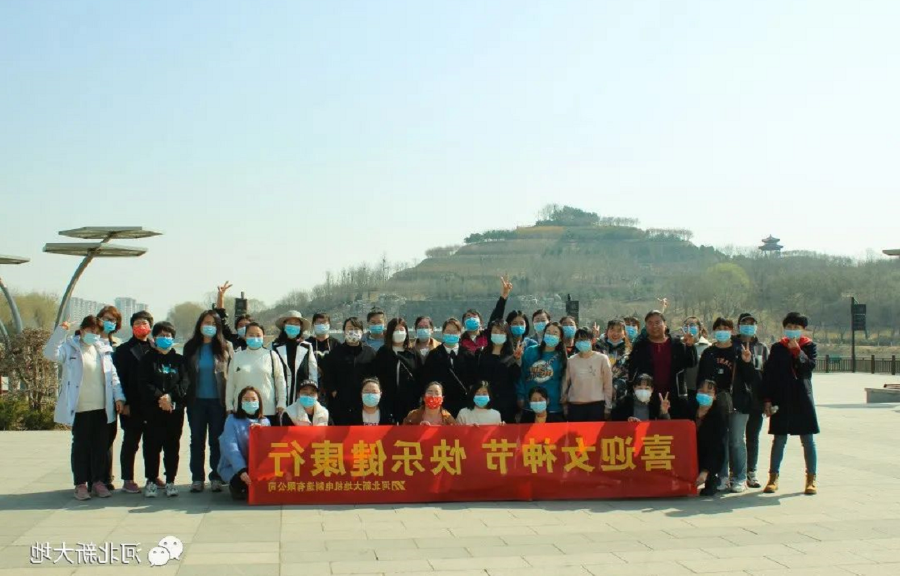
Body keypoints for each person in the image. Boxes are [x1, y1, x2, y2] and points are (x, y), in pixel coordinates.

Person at [44, 316, 125, 500]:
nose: (93, 335)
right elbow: (50, 353)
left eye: (97, 332)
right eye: (90, 331)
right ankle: (80, 484)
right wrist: (61, 331)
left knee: (100, 446)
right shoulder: (70, 348)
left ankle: (97, 482)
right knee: (81, 446)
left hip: (102, 407)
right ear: (81, 330)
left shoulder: (103, 349)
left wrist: (119, 397)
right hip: (80, 407)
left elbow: (113, 377)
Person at [697, 317, 758, 492]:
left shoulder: (740, 350)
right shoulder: (709, 352)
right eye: (718, 328)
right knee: (720, 440)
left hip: (738, 401)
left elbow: (751, 379)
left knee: (737, 440)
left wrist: (747, 363)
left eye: (726, 328)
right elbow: (702, 378)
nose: (722, 331)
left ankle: (739, 477)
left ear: (732, 330)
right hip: (715, 403)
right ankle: (722, 476)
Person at [762, 312, 819, 495]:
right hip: (781, 398)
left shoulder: (809, 346)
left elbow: (808, 368)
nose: (792, 330)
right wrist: (768, 399)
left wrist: (797, 351)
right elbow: (769, 375)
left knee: (808, 440)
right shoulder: (778, 347)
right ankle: (773, 477)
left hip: (802, 398)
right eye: (790, 327)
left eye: (796, 327)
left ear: (803, 329)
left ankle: (811, 478)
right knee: (779, 439)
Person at [182, 310, 234, 493]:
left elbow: (233, 375)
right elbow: (185, 375)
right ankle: (197, 477)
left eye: (213, 323)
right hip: (196, 402)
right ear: (199, 324)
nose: (209, 326)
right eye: (206, 322)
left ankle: (216, 476)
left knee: (216, 440)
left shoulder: (225, 347)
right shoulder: (190, 347)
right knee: (196, 440)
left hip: (218, 402)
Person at [138, 321, 188, 498]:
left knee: (172, 446)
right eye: (161, 335)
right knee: (152, 446)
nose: (165, 338)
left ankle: (170, 481)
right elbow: (144, 383)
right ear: (154, 338)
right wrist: (160, 397)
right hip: (153, 410)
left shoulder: (180, 360)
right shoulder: (147, 359)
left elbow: (185, 383)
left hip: (174, 410)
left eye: (168, 336)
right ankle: (151, 480)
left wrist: (171, 397)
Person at [113, 310, 158, 494]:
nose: (141, 326)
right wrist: (124, 402)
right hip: (132, 405)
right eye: (138, 323)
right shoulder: (123, 350)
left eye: (145, 323)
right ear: (132, 326)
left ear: (150, 327)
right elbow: (119, 378)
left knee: (152, 443)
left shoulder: (156, 348)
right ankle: (128, 478)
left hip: (152, 405)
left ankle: (152, 477)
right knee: (131, 442)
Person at [627, 310, 697, 418]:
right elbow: (632, 371)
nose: (654, 326)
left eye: (657, 322)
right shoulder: (640, 346)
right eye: (649, 323)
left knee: (673, 431)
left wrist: (690, 346)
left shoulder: (677, 344)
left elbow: (691, 363)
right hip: (648, 396)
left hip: (675, 395)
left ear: (665, 324)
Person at [225, 322, 287, 426]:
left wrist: (281, 402)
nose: (255, 338)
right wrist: (229, 405)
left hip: (267, 410)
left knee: (265, 441)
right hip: (241, 410)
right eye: (251, 335)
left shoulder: (271, 356)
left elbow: (280, 381)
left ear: (263, 337)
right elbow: (231, 382)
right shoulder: (237, 356)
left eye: (258, 335)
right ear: (245, 336)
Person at [321, 317, 377, 425]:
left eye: (356, 328)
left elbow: (376, 376)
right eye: (350, 328)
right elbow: (328, 376)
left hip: (364, 403)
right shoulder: (335, 353)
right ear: (344, 331)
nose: (353, 331)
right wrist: (334, 393)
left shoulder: (370, 353)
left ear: (362, 331)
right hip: (340, 404)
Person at [218, 386, 270, 501]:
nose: (250, 402)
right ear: (240, 402)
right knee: (241, 484)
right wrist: (241, 470)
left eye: (253, 399)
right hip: (234, 467)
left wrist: (262, 432)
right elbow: (231, 447)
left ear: (259, 402)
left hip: (256, 468)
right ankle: (236, 487)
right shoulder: (231, 420)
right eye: (246, 399)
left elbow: (268, 448)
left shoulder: (265, 421)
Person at [735, 312, 769, 489]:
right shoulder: (733, 345)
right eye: (745, 323)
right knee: (735, 438)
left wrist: (768, 400)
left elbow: (768, 376)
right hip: (738, 400)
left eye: (752, 323)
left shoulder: (762, 348)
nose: (748, 326)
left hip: (756, 400)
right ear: (738, 326)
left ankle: (751, 472)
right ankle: (735, 472)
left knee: (753, 437)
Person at [422, 318, 475, 417]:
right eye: (448, 331)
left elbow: (473, 380)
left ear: (460, 333)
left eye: (455, 332)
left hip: (464, 405)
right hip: (441, 406)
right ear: (443, 332)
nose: (451, 334)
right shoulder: (434, 355)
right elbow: (427, 380)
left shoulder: (468, 355)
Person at [475, 319, 524, 424]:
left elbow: (516, 377)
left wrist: (517, 360)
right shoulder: (482, 354)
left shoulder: (512, 354)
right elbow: (478, 377)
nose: (498, 335)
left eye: (502, 332)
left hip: (506, 404)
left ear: (507, 335)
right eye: (495, 332)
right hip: (486, 402)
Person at [373, 318, 420, 422]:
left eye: (402, 329)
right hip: (387, 402)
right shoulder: (383, 352)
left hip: (409, 404)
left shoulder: (412, 353)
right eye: (395, 330)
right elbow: (376, 375)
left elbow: (420, 376)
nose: (399, 332)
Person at [96, 305, 122, 490]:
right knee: (91, 439)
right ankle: (91, 477)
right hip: (93, 398)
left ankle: (106, 477)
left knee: (108, 438)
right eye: (105, 318)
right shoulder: (89, 341)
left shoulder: (117, 344)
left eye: (112, 320)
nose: (109, 323)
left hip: (113, 398)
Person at [518, 322, 567, 420]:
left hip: (553, 406)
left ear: (560, 338)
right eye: (548, 332)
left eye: (555, 333)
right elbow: (521, 375)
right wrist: (520, 395)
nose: (551, 335)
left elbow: (565, 380)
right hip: (531, 404)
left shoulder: (562, 357)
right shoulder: (531, 351)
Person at [563, 328, 613, 421]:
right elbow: (565, 384)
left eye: (584, 339)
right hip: (575, 406)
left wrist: (608, 406)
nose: (581, 342)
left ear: (593, 340)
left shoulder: (602, 359)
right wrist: (564, 406)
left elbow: (608, 385)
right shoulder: (571, 361)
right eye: (578, 340)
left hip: (596, 406)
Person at [271, 310, 318, 406]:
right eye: (290, 323)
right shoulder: (274, 346)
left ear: (300, 327)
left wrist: (312, 394)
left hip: (301, 397)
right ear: (284, 325)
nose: (293, 326)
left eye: (296, 324)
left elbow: (313, 373)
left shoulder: (307, 347)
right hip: (278, 397)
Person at [459, 276, 513, 353]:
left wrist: (504, 296)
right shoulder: (460, 340)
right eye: (468, 316)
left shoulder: (487, 335)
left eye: (474, 316)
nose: (471, 318)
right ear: (463, 323)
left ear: (480, 322)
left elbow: (496, 316)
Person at [594, 319, 631, 408]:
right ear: (607, 332)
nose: (615, 333)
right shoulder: (598, 347)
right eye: (612, 330)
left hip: (621, 395)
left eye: (619, 330)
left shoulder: (629, 349)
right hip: (599, 393)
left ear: (624, 333)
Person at [212, 281, 250, 349]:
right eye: (240, 325)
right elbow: (221, 319)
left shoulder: (258, 344)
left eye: (247, 325)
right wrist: (221, 297)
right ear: (236, 328)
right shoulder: (232, 340)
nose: (244, 328)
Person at [681, 317, 710, 402]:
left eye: (692, 325)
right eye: (686, 325)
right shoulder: (679, 346)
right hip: (683, 390)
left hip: (700, 391)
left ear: (700, 329)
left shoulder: (708, 347)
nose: (689, 327)